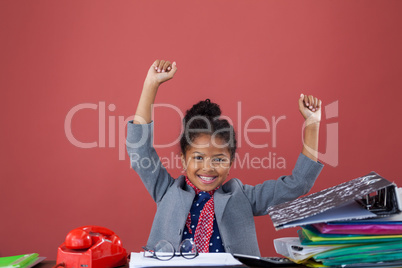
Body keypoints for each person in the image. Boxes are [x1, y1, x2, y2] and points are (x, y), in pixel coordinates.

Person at [126, 59, 324, 256]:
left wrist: (313, 125)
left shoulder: (242, 197)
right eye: (198, 157)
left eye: (219, 159)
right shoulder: (166, 191)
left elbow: (298, 184)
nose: (208, 167)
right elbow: (140, 151)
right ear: (183, 160)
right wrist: (151, 85)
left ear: (230, 164)